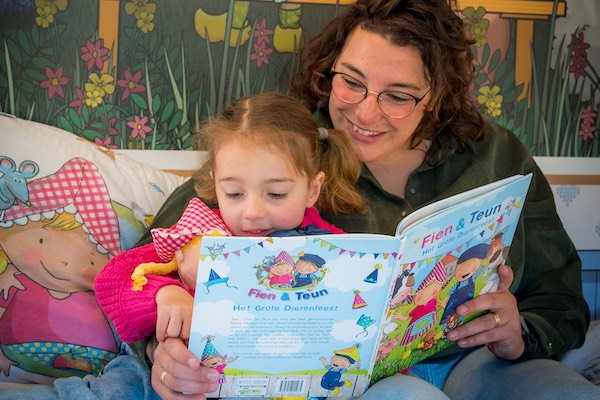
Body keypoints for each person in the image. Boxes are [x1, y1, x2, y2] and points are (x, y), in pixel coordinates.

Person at [140, 1, 599, 399]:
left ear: (437, 97)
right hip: (350, 381)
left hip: (482, 363)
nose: (364, 112)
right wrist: (164, 350)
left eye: (397, 96)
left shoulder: (497, 154)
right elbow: (148, 260)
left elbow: (561, 298)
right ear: (330, 69)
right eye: (351, 82)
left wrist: (521, 333)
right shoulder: (284, 148)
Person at [94, 91, 365, 346]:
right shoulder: (200, 233)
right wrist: (164, 293)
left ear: (312, 190)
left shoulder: (331, 244)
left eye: (276, 193)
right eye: (234, 193)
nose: (252, 212)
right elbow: (114, 279)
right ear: (216, 184)